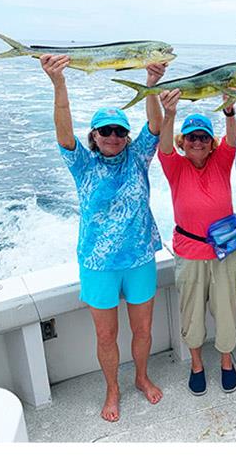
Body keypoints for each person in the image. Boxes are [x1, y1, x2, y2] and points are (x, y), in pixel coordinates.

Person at [41, 54, 165, 422]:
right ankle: (113, 389)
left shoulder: (139, 156)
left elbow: (156, 125)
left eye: (118, 131)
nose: (113, 137)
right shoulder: (83, 164)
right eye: (105, 131)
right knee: (106, 336)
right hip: (98, 264)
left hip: (140, 258)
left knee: (143, 329)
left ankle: (142, 377)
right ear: (94, 136)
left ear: (127, 136)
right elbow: (63, 129)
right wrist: (58, 83)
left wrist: (152, 83)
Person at [157, 89, 236, 396]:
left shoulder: (221, 161)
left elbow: (232, 140)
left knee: (226, 311)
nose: (197, 142)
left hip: (225, 252)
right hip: (189, 251)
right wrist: (170, 114)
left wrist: (230, 113)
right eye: (191, 137)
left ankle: (226, 362)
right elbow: (164, 146)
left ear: (210, 143)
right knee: (191, 313)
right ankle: (196, 366)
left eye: (203, 138)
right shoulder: (175, 166)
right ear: (184, 142)